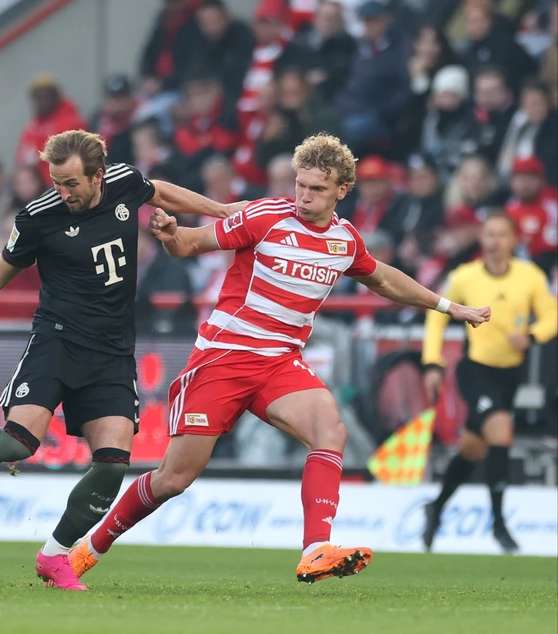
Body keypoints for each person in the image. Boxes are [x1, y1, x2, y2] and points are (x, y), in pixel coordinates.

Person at [64, 133, 491, 585]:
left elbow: (383, 278)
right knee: (173, 478)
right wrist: (171, 235)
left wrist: (448, 307)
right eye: (300, 185)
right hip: (223, 358)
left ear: (342, 192)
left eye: (317, 189)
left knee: (330, 429)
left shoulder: (344, 241)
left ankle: (314, 551)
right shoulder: (266, 216)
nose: (304, 196)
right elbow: (190, 244)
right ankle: (89, 549)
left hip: (279, 362)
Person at [0, 129, 246, 590]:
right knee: (17, 443)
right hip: (57, 342)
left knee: (112, 464)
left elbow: (160, 190)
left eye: (71, 183)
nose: (62, 192)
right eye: (55, 182)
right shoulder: (37, 216)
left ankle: (54, 556)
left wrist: (222, 210)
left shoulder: (125, 182)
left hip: (112, 352)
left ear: (98, 177)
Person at [421, 212, 557, 554]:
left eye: (501, 235)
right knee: (501, 432)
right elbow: (435, 313)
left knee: (473, 448)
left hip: (509, 374)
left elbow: (551, 316)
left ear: (513, 241)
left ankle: (435, 507)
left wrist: (532, 335)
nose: (494, 241)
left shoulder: (530, 277)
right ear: (481, 239)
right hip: (476, 369)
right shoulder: (465, 277)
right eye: (489, 234)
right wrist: (432, 362)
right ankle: (498, 524)